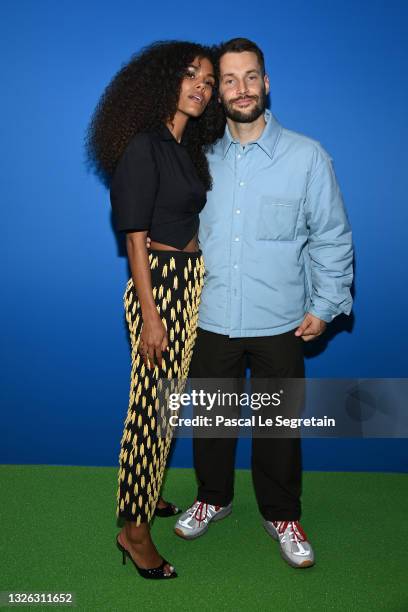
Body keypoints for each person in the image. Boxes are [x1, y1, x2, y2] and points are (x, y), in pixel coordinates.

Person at [174, 38, 354, 569]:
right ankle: (213, 498)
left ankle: (282, 513)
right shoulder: (197, 158)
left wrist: (326, 302)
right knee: (210, 421)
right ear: (218, 91)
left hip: (281, 322)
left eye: (250, 77)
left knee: (279, 428)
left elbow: (331, 237)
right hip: (210, 317)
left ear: (266, 83)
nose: (240, 89)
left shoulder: (306, 156)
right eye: (228, 80)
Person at [85, 40, 223, 579]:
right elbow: (136, 239)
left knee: (163, 405)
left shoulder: (181, 145)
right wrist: (150, 313)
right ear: (162, 81)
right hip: (159, 286)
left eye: (209, 81)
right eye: (192, 75)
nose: (202, 88)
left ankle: (146, 494)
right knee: (150, 412)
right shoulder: (143, 145)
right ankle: (134, 531)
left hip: (187, 281)